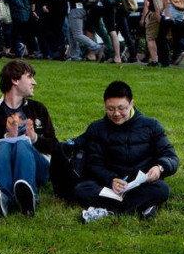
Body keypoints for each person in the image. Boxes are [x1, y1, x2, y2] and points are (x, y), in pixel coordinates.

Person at [75, 81, 178, 222]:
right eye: (110, 109)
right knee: (82, 189)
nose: (116, 114)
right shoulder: (97, 129)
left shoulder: (151, 125)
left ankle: (107, 210)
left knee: (162, 189)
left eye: (121, 108)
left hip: (142, 184)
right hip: (110, 185)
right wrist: (111, 180)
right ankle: (143, 207)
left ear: (131, 104)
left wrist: (159, 168)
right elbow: (94, 163)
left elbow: (170, 156)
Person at [0, 60, 57, 217]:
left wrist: (34, 138)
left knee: (21, 143)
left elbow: (54, 146)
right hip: (3, 164)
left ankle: (29, 196)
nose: (34, 82)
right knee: (5, 144)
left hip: (37, 166)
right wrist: (7, 137)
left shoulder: (38, 108)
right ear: (15, 80)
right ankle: (2, 198)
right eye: (29, 77)